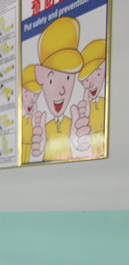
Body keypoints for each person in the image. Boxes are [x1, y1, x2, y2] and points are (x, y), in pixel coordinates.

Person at [31, 17, 90, 162]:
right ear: (41, 76)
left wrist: (80, 146)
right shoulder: (44, 127)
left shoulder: (74, 123)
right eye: (52, 80)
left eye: (68, 78)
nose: (62, 90)